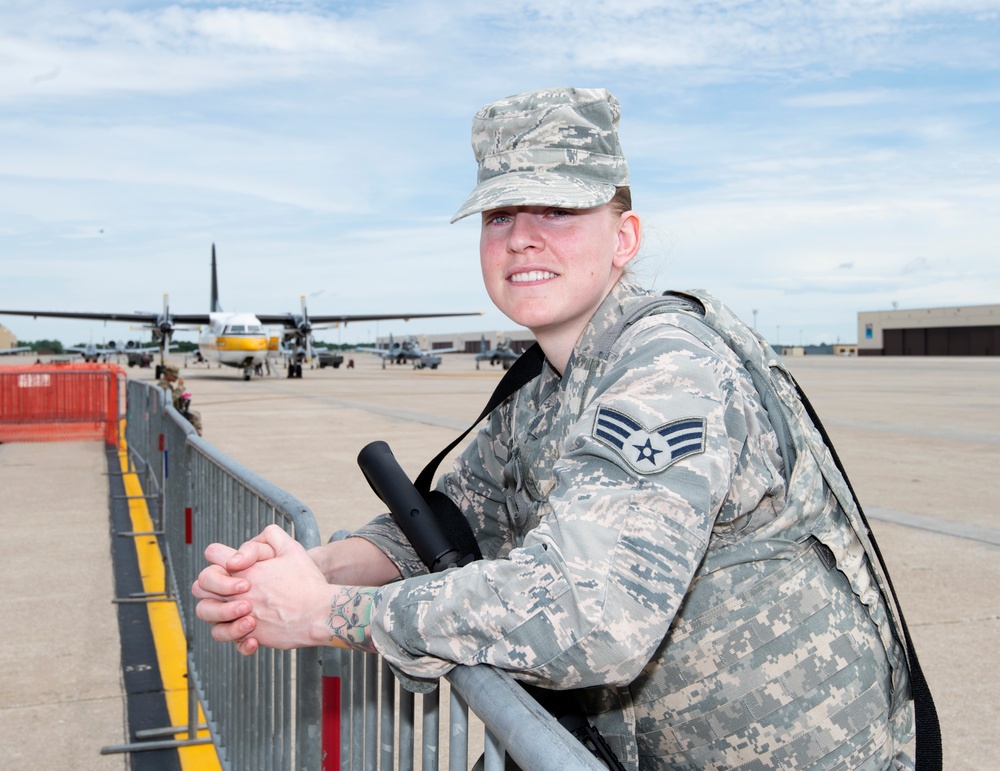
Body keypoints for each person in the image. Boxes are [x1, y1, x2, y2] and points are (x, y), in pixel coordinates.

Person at [193, 87, 916, 769]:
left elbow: (590, 610)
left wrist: (330, 614)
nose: (522, 239)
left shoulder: (665, 367)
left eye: (558, 211)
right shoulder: (542, 388)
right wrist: (309, 567)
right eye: (500, 216)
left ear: (624, 238)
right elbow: (452, 519)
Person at [158, 363, 203, 436]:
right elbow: (170, 400)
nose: (176, 378)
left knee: (196, 414)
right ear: (168, 375)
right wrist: (180, 387)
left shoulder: (166, 385)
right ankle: (196, 440)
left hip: (172, 411)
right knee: (195, 417)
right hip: (169, 414)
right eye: (174, 376)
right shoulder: (164, 386)